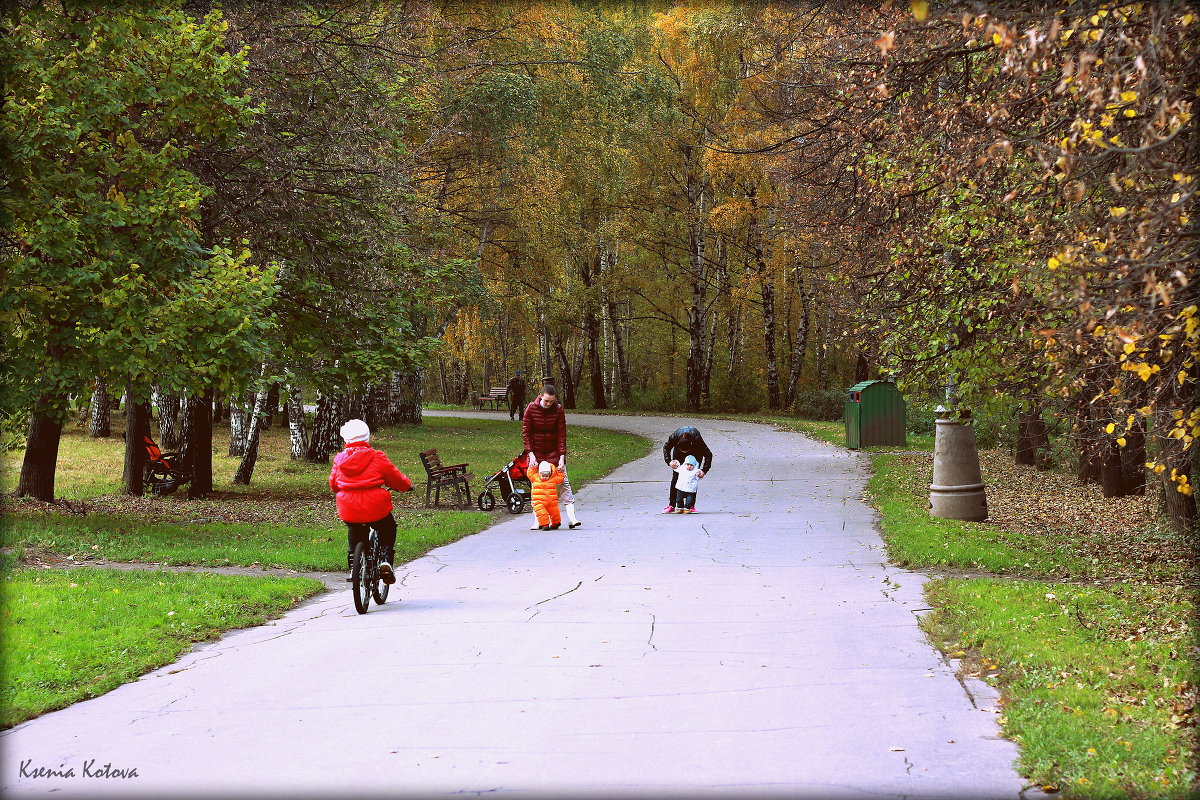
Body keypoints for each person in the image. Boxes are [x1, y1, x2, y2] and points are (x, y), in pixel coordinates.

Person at [329, 419, 412, 583]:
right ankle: (385, 559)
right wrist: (406, 486)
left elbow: (334, 484)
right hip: (375, 506)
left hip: (349, 506)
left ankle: (354, 564)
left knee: (355, 529)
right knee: (388, 527)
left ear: (345, 440)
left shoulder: (339, 460)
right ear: (368, 437)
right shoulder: (377, 457)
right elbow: (395, 478)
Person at [521, 384, 581, 529]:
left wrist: (561, 457)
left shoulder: (558, 410)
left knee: (564, 483)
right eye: (546, 400)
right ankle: (538, 519)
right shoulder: (531, 409)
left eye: (551, 401)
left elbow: (561, 434)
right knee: (536, 486)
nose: (549, 404)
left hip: (554, 451)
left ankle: (572, 518)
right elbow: (526, 433)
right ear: (541, 396)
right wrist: (531, 454)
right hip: (537, 452)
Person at [662, 425, 712, 513]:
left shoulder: (697, 440)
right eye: (683, 450)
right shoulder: (674, 437)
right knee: (676, 476)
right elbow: (666, 447)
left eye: (686, 450)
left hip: (695, 452)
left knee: (693, 476)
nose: (685, 452)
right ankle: (672, 505)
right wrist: (669, 461)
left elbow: (708, 455)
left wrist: (704, 470)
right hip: (678, 453)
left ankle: (691, 505)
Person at [530, 460, 564, 530]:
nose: (545, 477)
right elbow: (530, 474)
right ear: (539, 473)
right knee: (541, 512)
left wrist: (560, 472)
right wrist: (533, 467)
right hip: (539, 501)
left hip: (552, 501)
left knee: (555, 512)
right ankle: (545, 524)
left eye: (547, 476)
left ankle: (556, 523)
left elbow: (560, 478)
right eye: (543, 475)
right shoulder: (535, 478)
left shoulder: (553, 479)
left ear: (550, 474)